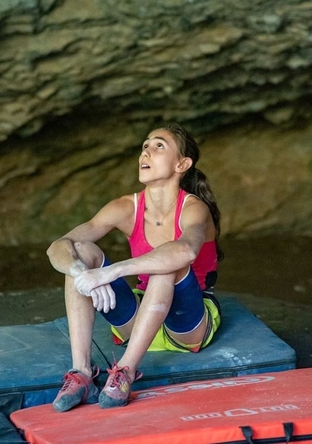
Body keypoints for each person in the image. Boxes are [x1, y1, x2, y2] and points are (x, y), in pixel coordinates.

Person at [46, 122, 224, 412]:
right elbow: (59, 246)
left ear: (182, 163)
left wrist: (111, 272)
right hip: (141, 321)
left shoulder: (194, 208)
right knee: (79, 253)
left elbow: (185, 250)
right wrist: (83, 273)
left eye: (158, 146)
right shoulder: (125, 207)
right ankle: (81, 372)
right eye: (145, 146)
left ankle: (125, 372)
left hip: (187, 325)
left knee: (168, 264)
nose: (146, 152)